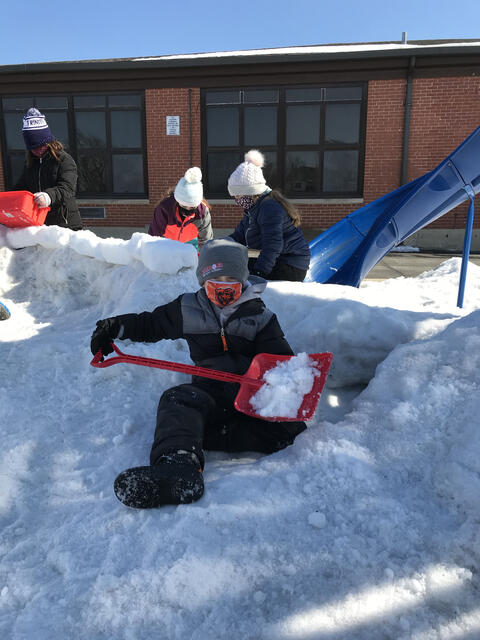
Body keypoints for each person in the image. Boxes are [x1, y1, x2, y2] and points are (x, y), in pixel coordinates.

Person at [90, 238, 306, 509]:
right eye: (215, 279)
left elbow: (282, 363)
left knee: (291, 430)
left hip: (249, 395)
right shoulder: (188, 309)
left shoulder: (260, 317)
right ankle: (178, 467)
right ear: (203, 281)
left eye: (231, 279)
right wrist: (113, 327)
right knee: (178, 399)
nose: (223, 286)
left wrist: (280, 388)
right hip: (210, 393)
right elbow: (151, 324)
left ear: (243, 281)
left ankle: (209, 436)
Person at [227, 149, 310, 282]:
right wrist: (221, 244)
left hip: (291, 266)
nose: (236, 199)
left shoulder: (269, 208)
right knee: (234, 265)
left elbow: (273, 245)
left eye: (238, 195)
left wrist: (259, 272)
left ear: (250, 192)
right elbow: (240, 235)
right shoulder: (253, 208)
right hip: (279, 260)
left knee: (238, 272)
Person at [13, 107, 82, 231]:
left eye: (41, 145)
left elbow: (67, 188)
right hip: (40, 224)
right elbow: (21, 186)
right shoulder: (30, 163)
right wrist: (10, 199)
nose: (38, 150)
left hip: (65, 225)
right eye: (33, 147)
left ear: (49, 142)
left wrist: (48, 196)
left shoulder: (64, 160)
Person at [148, 167, 213, 251]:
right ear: (178, 201)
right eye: (184, 206)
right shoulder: (164, 209)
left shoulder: (202, 212)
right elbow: (154, 238)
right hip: (166, 246)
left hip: (191, 247)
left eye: (192, 207)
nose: (188, 210)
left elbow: (206, 242)